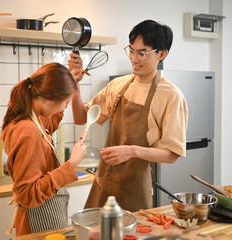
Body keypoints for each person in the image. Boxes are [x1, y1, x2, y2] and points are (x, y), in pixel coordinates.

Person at [68, 20, 188, 212]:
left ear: (162, 54)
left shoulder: (171, 95)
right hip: (103, 182)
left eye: (142, 53)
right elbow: (81, 118)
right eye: (131, 50)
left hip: (135, 190)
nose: (134, 58)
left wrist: (132, 151)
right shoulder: (119, 85)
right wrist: (74, 84)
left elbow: (172, 154)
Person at [1, 62, 87, 236]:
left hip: (45, 218)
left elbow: (51, 121)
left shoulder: (31, 119)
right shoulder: (28, 130)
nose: (65, 107)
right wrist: (72, 164)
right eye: (66, 102)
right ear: (49, 99)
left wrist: (70, 82)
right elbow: (27, 194)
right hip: (37, 223)